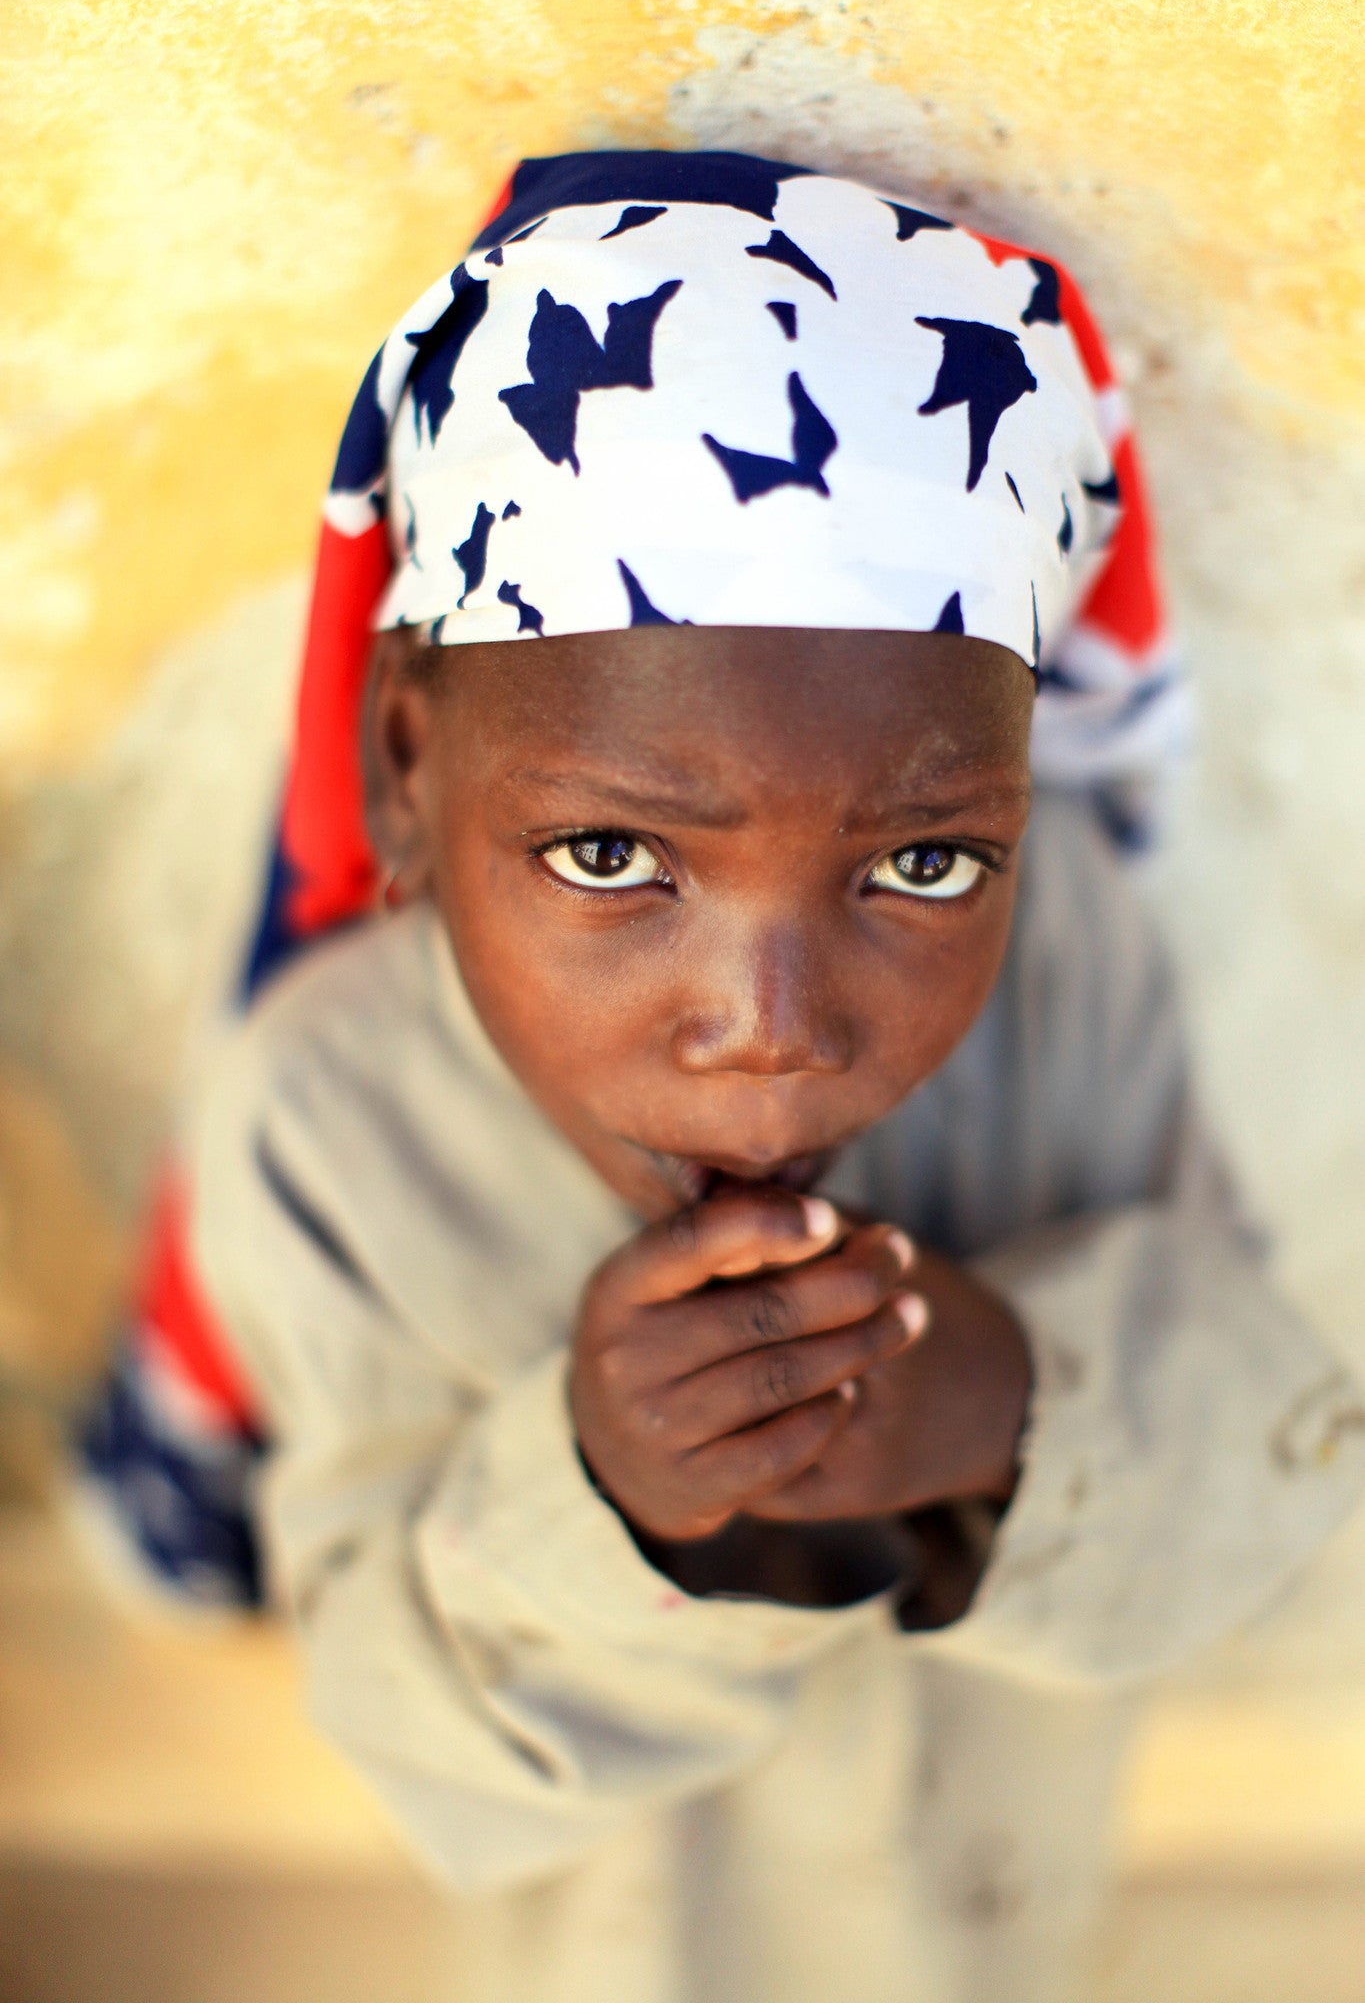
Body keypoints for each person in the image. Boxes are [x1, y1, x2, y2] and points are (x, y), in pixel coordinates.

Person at [83, 152, 1365, 2001]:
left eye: (922, 865)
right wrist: (601, 1500)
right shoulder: (328, 1117)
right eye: (615, 859)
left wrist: (1015, 1413)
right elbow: (393, 1705)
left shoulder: (1069, 961)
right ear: (406, 773)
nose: (770, 1016)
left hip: (998, 1937)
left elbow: (1266, 1433)